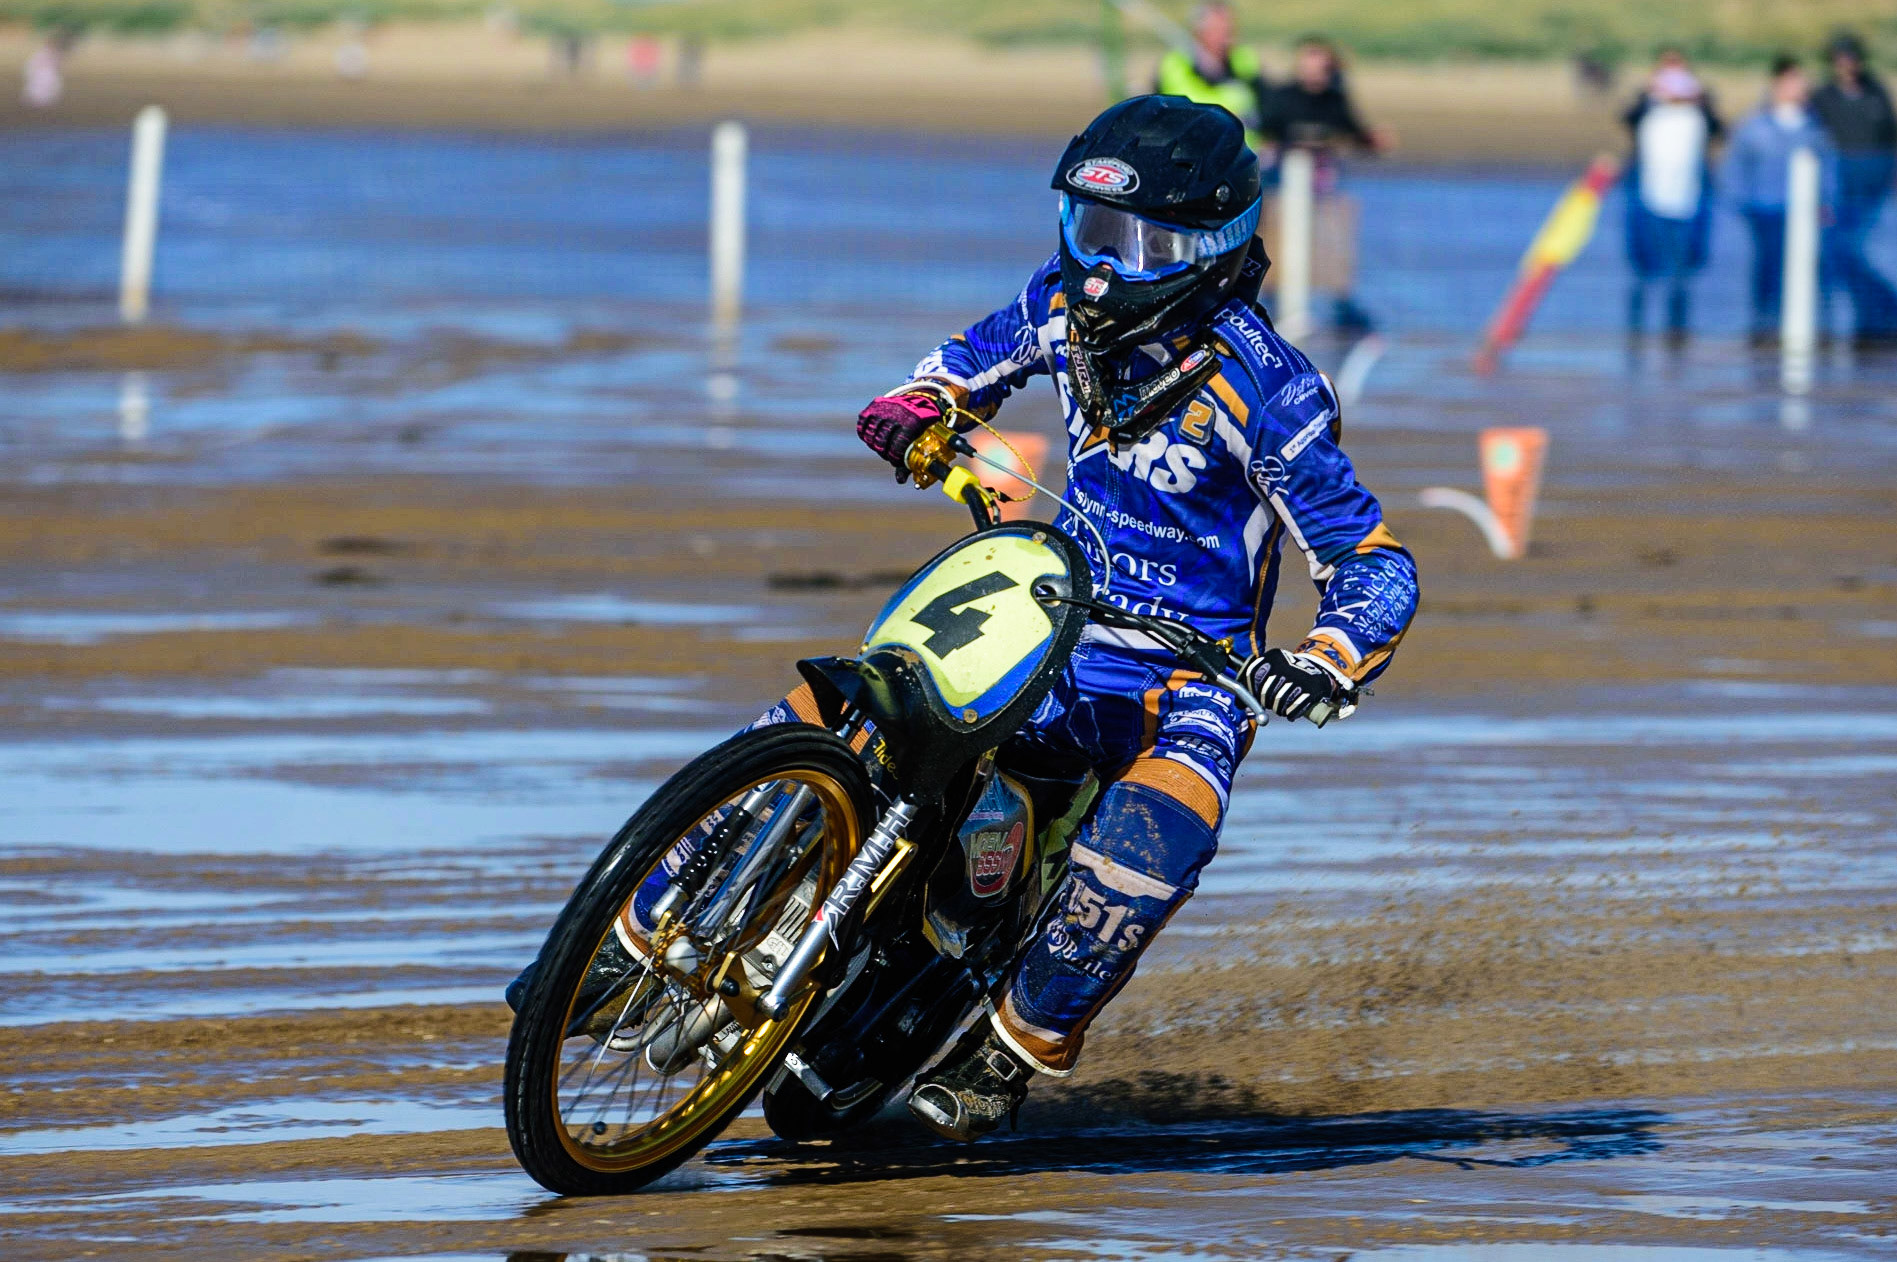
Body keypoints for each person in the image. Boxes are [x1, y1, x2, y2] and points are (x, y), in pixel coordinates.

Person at [847, 96, 1419, 1141]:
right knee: (864, 701)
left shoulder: (1272, 389)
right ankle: (651, 916)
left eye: (1145, 243)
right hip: (1045, 619)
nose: (1108, 267)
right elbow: (955, 366)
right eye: (1093, 231)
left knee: (1149, 845)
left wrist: (1327, 659)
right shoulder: (1056, 308)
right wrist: (915, 408)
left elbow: (1372, 563)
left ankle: (1007, 1050)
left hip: (1189, 681)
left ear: (1215, 248)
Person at [1256, 37, 1393, 331]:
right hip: (1282, 188)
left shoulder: (1334, 99)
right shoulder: (1283, 97)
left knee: (1332, 246)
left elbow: (1354, 131)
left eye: (1320, 62)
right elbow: (1266, 131)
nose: (1313, 69)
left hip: (1323, 190)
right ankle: (1276, 308)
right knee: (1277, 248)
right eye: (1308, 60)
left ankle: (1339, 306)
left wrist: (1373, 139)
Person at [1726, 56, 1837, 341]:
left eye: (1800, 81)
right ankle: (1764, 328)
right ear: (1776, 84)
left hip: (1805, 212)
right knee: (1768, 270)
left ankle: (1812, 329)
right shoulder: (1755, 125)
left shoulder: (1815, 127)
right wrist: (1742, 205)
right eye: (1790, 81)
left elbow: (1828, 168)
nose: (1797, 87)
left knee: (1811, 271)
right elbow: (1735, 168)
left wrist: (1827, 203)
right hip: (1766, 210)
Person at [1622, 51, 1723, 337]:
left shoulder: (1697, 116)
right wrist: (1647, 93)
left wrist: (1701, 99)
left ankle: (1676, 333)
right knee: (1644, 269)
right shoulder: (1648, 112)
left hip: (1688, 202)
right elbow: (1628, 118)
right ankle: (1637, 332)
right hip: (1647, 200)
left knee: (1681, 272)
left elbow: (1718, 129)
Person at [1811, 32, 1897, 343]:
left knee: (1869, 251)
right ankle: (1853, 321)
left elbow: (1890, 136)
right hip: (1839, 191)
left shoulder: (1876, 93)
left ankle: (1877, 321)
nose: (1846, 64)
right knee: (1843, 253)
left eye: (1850, 57)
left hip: (1874, 192)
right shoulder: (1823, 97)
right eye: (1839, 58)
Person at [1155, 3, 1272, 148]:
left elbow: (1266, 103)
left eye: (1230, 31)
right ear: (1200, 32)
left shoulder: (1243, 59)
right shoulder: (1177, 63)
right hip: (1196, 151)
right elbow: (1187, 104)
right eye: (1218, 30)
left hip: (1244, 152)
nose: (1226, 38)